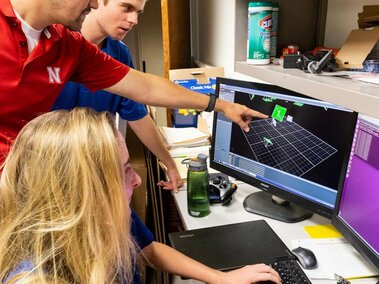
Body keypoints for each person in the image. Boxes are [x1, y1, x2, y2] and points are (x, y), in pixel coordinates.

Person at [0, 108, 281, 284]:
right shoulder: (38, 278)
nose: (136, 179)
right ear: (83, 193)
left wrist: (221, 278)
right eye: (123, 171)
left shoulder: (105, 215)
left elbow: (148, 249)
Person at [0, 0, 268, 167]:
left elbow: (145, 87)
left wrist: (219, 104)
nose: (94, 4)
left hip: (26, 180)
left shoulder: (69, 45)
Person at [52, 0, 183, 192]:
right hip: (53, 171)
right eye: (127, 8)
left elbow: (137, 114)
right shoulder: (52, 44)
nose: (134, 20)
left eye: (139, 12)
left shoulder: (119, 53)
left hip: (98, 168)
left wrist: (169, 164)